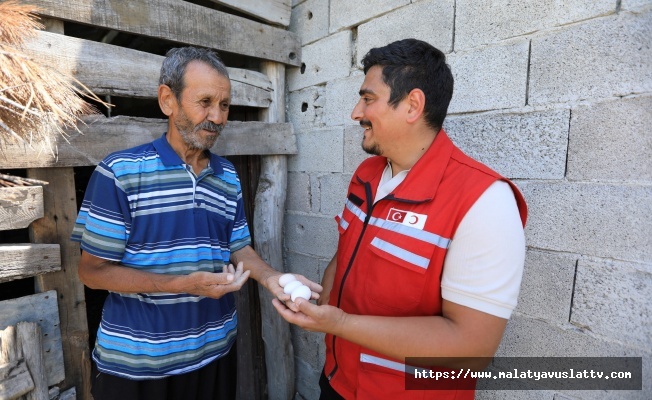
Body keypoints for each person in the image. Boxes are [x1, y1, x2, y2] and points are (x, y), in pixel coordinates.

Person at [273, 38, 528, 399]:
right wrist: (318, 306)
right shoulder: (366, 175)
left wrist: (340, 324)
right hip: (336, 381)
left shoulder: (484, 201)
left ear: (412, 105)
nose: (355, 112)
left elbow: (471, 350)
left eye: (368, 98)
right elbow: (346, 254)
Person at [71, 46, 321, 400]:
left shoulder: (227, 176)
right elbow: (91, 272)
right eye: (204, 101)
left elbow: (238, 247)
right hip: (138, 366)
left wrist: (272, 278)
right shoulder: (119, 173)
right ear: (167, 100)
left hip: (214, 353)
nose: (217, 117)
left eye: (224, 105)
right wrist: (182, 284)